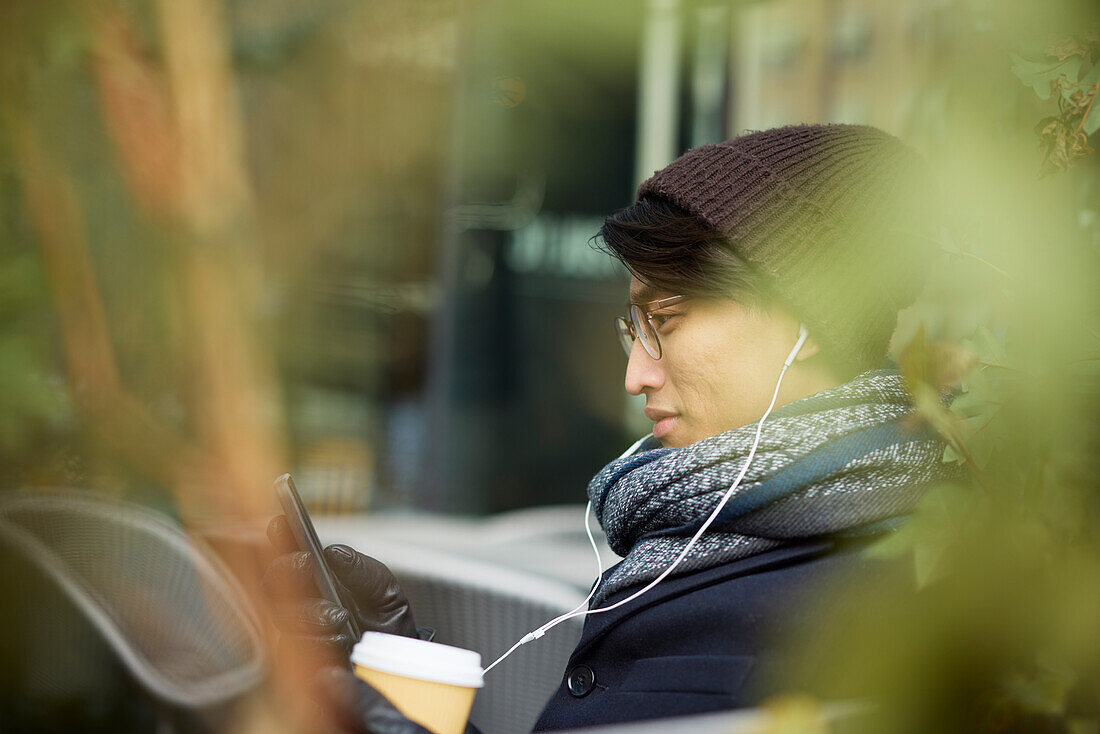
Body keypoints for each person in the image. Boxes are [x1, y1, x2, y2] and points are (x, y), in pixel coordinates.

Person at [263, 123, 958, 732]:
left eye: (667, 320)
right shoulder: (705, 530)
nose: (635, 376)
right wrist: (387, 657)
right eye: (635, 326)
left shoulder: (868, 606)